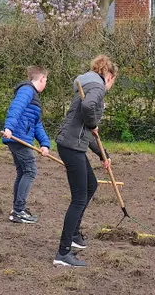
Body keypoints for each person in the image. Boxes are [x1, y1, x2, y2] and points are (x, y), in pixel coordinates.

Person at [52, 55, 117, 268]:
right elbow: (88, 110)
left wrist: (103, 155)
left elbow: (87, 134)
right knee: (79, 198)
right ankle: (63, 253)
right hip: (71, 147)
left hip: (73, 144)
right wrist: (93, 123)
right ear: (109, 76)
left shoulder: (89, 84)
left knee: (91, 185)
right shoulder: (98, 87)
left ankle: (73, 236)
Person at [1, 66, 50, 224]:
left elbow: (36, 124)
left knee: (23, 171)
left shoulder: (33, 95)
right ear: (41, 79)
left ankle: (17, 209)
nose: (46, 84)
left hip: (21, 137)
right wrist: (9, 128)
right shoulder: (27, 90)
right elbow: (16, 108)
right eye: (46, 80)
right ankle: (18, 211)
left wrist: (44, 144)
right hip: (18, 137)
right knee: (30, 171)